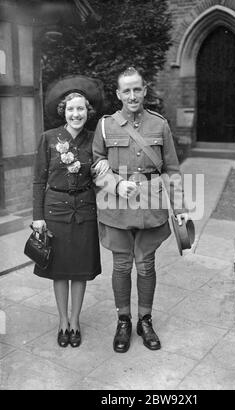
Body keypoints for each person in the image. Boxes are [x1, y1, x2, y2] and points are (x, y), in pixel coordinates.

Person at [92, 67, 189, 353]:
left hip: (151, 206)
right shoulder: (105, 125)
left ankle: (145, 320)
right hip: (117, 207)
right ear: (118, 94)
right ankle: (123, 320)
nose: (132, 95)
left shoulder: (159, 124)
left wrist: (180, 206)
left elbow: (171, 168)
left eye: (137, 89)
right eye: (127, 90)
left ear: (145, 90)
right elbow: (96, 163)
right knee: (122, 265)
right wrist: (114, 184)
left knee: (146, 265)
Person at [32, 76, 108, 348]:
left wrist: (105, 167)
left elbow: (103, 171)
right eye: (71, 109)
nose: (76, 114)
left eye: (81, 109)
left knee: (79, 270)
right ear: (63, 111)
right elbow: (39, 180)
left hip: (85, 211)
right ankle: (62, 321)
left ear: (89, 112)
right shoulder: (48, 138)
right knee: (59, 270)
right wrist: (37, 217)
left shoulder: (95, 140)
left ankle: (75, 321)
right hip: (55, 211)